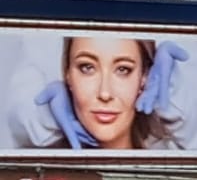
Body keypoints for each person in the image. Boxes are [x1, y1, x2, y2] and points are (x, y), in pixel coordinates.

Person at [37, 35, 188, 150]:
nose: (105, 94)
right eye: (87, 67)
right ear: (68, 75)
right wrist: (44, 112)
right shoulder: (40, 165)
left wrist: (173, 86)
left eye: (123, 69)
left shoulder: (172, 157)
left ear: (144, 77)